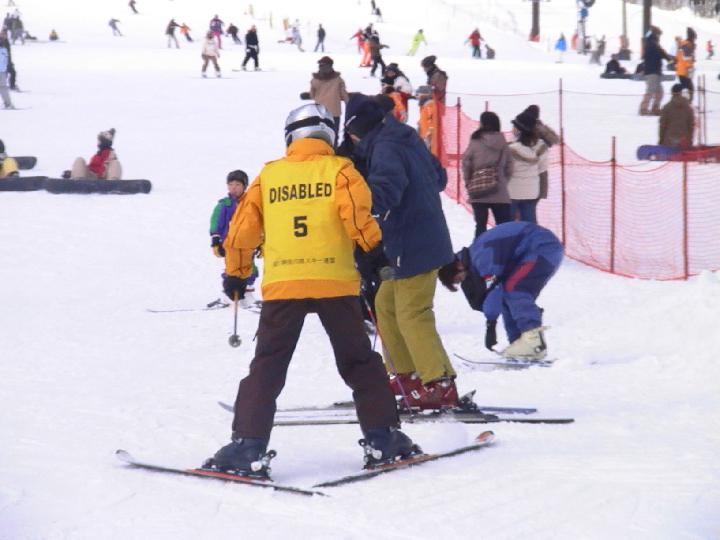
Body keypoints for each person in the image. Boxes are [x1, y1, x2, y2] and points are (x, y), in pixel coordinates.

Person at [204, 103, 417, 475]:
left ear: (291, 135)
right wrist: (374, 253)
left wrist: (237, 273)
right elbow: (357, 216)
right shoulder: (340, 170)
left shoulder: (269, 176)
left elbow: (240, 232)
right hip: (335, 281)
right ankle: (383, 439)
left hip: (284, 283)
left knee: (268, 364)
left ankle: (247, 445)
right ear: (328, 135)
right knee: (359, 361)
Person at [344, 94, 457, 410]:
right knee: (386, 303)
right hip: (412, 238)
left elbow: (385, 193)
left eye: (351, 132)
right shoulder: (403, 137)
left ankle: (439, 382)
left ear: (359, 129)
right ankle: (408, 374)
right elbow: (439, 177)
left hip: (413, 241)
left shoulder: (386, 147)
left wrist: (356, 206)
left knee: (412, 312)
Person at [438, 221, 564, 361]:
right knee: (507, 294)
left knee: (514, 289)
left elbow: (494, 290)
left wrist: (491, 325)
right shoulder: (475, 257)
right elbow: (498, 293)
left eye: (458, 279)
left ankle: (533, 341)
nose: (463, 281)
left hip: (542, 247)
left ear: (458, 266)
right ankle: (519, 342)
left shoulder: (481, 256)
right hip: (534, 249)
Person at [461, 111, 513, 238]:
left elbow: (466, 163)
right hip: (499, 191)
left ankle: (480, 248)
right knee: (503, 227)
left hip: (478, 190)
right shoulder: (503, 142)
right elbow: (510, 166)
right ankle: (503, 248)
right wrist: (501, 181)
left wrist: (469, 182)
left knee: (480, 226)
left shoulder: (475, 141)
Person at [210, 170, 258, 292]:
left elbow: (257, 222)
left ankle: (247, 293)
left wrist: (261, 241)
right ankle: (229, 294)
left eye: (237, 184)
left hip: (248, 244)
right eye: (230, 184)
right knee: (232, 268)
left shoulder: (250, 204)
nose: (233, 188)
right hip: (230, 244)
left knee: (249, 268)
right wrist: (216, 241)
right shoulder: (225, 205)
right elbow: (216, 222)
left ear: (244, 186)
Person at [507, 111, 547, 223]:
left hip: (512, 191)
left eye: (514, 126)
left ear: (519, 130)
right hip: (532, 191)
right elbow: (542, 169)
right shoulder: (542, 146)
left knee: (508, 224)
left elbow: (506, 171)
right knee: (529, 224)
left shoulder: (511, 148)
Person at [309, 56, 348, 142]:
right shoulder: (338, 79)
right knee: (334, 133)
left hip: (319, 111)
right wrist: (348, 102)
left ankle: (322, 148)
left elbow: (312, 95)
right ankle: (334, 148)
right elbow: (343, 95)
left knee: (321, 134)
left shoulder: (315, 80)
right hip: (334, 111)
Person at [640, 26, 672, 116]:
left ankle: (655, 108)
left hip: (656, 71)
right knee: (650, 90)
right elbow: (660, 53)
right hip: (651, 71)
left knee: (659, 92)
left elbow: (662, 53)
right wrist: (668, 59)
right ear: (656, 34)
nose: (659, 36)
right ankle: (643, 109)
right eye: (659, 34)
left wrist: (670, 60)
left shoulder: (654, 43)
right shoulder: (651, 43)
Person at [659, 83, 694, 149]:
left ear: (672, 93)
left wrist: (661, 140)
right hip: (684, 142)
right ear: (681, 93)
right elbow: (691, 125)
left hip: (669, 142)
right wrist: (690, 140)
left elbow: (662, 126)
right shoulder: (688, 108)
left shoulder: (667, 107)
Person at [416, 85, 438, 157]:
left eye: (418, 95)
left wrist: (429, 134)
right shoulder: (424, 106)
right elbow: (424, 120)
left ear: (424, 95)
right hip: (425, 138)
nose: (417, 97)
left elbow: (431, 120)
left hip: (429, 139)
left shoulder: (429, 106)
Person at [676, 27, 697, 101]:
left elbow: (679, 57)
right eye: (694, 38)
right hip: (685, 71)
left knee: (687, 89)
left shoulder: (684, 44)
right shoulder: (687, 45)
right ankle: (685, 104)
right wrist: (692, 58)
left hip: (682, 70)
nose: (695, 40)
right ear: (692, 37)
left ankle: (685, 103)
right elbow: (686, 58)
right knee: (689, 89)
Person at [0, 41, 14, 109]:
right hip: (3, 71)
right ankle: (8, 103)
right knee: (3, 88)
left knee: (3, 87)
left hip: (2, 70)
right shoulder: (4, 50)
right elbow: (6, 61)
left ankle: (8, 104)